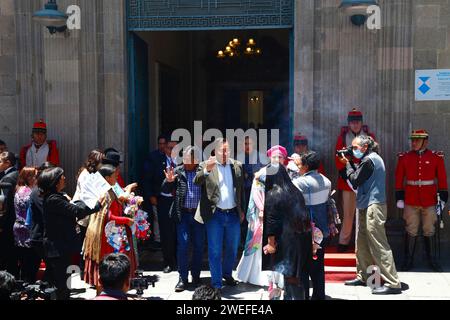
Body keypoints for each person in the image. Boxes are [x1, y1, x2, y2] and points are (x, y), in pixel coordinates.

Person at [340, 136, 402, 295]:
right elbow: (359, 176)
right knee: (361, 243)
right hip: (365, 204)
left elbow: (355, 179)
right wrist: (350, 163)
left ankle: (393, 283)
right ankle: (364, 276)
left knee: (378, 243)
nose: (353, 150)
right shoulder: (368, 160)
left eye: (355, 147)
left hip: (374, 205)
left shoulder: (370, 161)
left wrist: (346, 163)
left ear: (365, 146)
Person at [40, 167, 101, 300]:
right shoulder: (53, 199)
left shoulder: (57, 197)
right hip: (57, 248)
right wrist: (96, 205)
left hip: (62, 246)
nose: (64, 178)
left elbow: (74, 209)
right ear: (55, 181)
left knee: (63, 281)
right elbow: (76, 210)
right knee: (62, 283)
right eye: (62, 176)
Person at [194, 138, 245, 290]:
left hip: (233, 215)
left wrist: (241, 209)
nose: (225, 153)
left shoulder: (237, 166)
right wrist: (207, 170)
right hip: (215, 215)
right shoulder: (205, 165)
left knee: (232, 248)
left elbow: (240, 189)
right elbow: (197, 181)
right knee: (215, 250)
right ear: (215, 151)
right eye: (222, 150)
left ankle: (227, 274)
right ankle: (216, 283)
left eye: (227, 150)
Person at [395, 130, 448, 272]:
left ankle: (432, 259)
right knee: (411, 229)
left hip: (429, 200)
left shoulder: (436, 157)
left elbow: (442, 179)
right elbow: (399, 179)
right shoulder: (404, 157)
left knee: (429, 229)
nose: (413, 143)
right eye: (412, 140)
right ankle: (408, 260)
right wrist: (399, 197)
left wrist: (442, 199)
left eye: (417, 140)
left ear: (425, 142)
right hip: (411, 200)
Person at [236, 145, 288, 287]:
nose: (277, 159)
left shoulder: (287, 173)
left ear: (284, 159)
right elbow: (257, 193)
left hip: (282, 215)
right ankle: (260, 276)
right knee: (261, 245)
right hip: (264, 214)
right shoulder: (262, 174)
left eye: (280, 157)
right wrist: (263, 210)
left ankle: (278, 277)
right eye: (275, 157)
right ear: (270, 158)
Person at [263, 165, 312, 300]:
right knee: (297, 274)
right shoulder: (295, 190)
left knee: (291, 275)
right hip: (302, 237)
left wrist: (271, 243)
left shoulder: (273, 193)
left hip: (288, 240)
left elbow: (272, 222)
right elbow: (305, 215)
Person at [292, 152, 336, 300]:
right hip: (321, 230)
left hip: (305, 230)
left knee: (303, 267)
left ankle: (304, 295)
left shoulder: (300, 183)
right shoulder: (327, 181)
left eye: (300, 164)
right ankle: (319, 296)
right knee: (318, 266)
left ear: (306, 166)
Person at [83, 164, 137, 287]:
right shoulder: (105, 193)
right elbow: (109, 217)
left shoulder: (111, 190)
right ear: (107, 178)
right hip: (107, 234)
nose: (117, 178)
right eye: (115, 176)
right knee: (112, 258)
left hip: (110, 230)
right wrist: (126, 220)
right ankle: (112, 283)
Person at [162, 146, 205, 292]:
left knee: (199, 247)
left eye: (189, 158)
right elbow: (165, 190)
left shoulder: (202, 172)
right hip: (183, 215)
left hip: (199, 216)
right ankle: (183, 278)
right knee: (183, 246)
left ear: (196, 160)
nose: (186, 161)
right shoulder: (178, 171)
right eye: (185, 158)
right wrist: (168, 181)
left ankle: (196, 277)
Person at [334, 109, 376, 253]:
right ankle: (344, 241)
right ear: (349, 124)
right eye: (352, 122)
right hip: (348, 182)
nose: (355, 125)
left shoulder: (369, 137)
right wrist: (348, 177)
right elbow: (339, 158)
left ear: (361, 122)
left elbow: (374, 157)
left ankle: (364, 243)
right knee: (348, 213)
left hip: (365, 180)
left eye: (357, 122)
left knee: (366, 213)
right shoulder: (343, 137)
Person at [28, 162, 55, 282]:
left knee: (51, 267)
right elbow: (46, 212)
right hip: (39, 236)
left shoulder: (45, 191)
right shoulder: (38, 191)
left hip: (44, 236)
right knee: (50, 267)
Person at [14, 167, 41, 283]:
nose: (37, 178)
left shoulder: (25, 189)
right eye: (35, 175)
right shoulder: (25, 192)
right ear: (28, 177)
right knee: (29, 260)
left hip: (22, 228)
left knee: (28, 260)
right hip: (26, 229)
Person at [142, 134, 168, 247]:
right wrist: (150, 195)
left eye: (164, 144)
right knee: (157, 218)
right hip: (156, 194)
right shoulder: (152, 157)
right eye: (160, 144)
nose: (161, 146)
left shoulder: (171, 157)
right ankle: (158, 241)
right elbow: (147, 178)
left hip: (168, 194)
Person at [0, 152, 19, 275]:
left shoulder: (7, 178)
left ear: (7, 163)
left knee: (6, 251)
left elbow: (4, 205)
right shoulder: (16, 174)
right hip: (14, 220)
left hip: (7, 222)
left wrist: (1, 224)